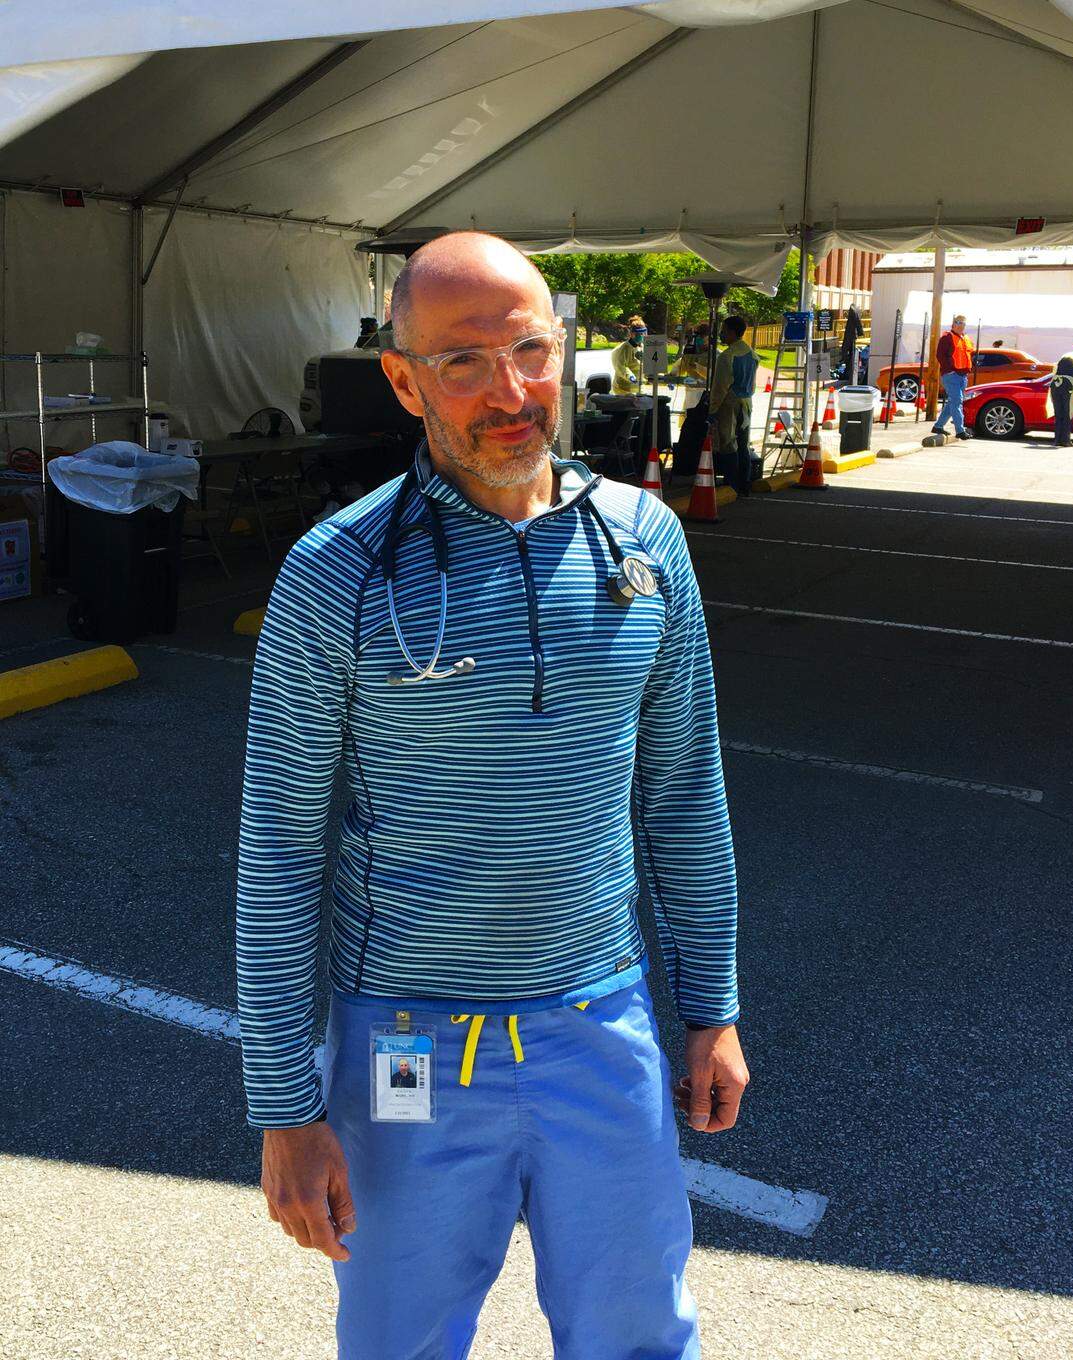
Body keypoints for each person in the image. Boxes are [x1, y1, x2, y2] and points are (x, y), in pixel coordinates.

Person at [237, 231, 747, 1360]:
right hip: (405, 1046)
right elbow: (277, 852)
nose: (509, 392)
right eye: (464, 362)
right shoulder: (339, 574)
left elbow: (682, 791)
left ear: (565, 353)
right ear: (404, 378)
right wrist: (284, 1106)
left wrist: (710, 1007)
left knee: (636, 1336)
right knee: (400, 1341)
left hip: (600, 1031)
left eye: (529, 349)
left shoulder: (645, 544)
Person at [709, 315, 759, 495]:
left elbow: (720, 386)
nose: (721, 334)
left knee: (728, 443)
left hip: (729, 403)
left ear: (731, 332)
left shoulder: (727, 356)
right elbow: (753, 384)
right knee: (743, 443)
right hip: (747, 401)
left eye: (723, 330)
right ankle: (744, 483)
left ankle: (731, 485)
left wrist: (713, 409)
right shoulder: (752, 354)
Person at [931, 313, 975, 439]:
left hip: (963, 375)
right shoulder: (947, 337)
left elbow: (968, 354)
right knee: (957, 402)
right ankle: (960, 431)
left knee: (953, 402)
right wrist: (949, 370)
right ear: (953, 324)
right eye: (958, 322)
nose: (961, 325)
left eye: (963, 323)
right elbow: (940, 355)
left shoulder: (965, 338)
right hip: (952, 375)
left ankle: (938, 426)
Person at [1045, 342, 1073, 447]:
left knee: (1058, 413)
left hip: (1055, 385)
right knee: (1068, 413)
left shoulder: (1066, 355)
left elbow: (1055, 370)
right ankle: (1066, 440)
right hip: (1068, 385)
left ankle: (1057, 440)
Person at [611, 314, 647, 394]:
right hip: (623, 389)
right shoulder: (623, 349)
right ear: (632, 334)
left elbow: (648, 365)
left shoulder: (642, 347)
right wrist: (630, 376)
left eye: (643, 333)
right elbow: (620, 366)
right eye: (639, 334)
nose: (642, 336)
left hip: (639, 388)